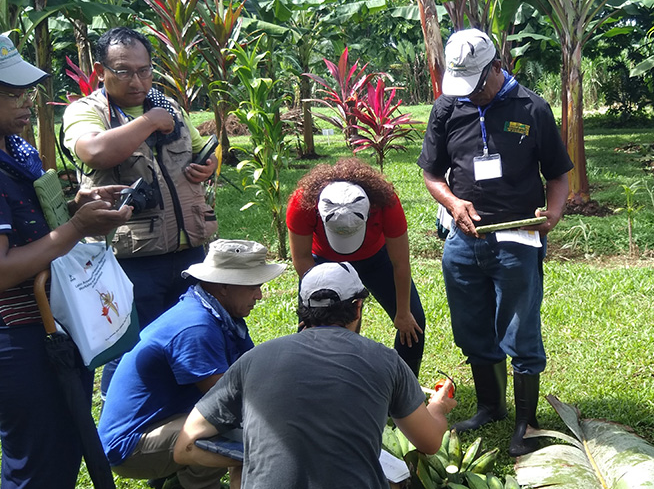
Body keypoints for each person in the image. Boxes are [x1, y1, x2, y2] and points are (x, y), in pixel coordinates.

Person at [417, 28, 573, 457]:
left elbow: (558, 173)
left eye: (477, 84)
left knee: (520, 331)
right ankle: (491, 405)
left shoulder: (532, 108)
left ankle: (527, 420)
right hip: (463, 239)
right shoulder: (448, 107)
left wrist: (553, 213)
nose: (471, 94)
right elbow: (432, 173)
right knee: (470, 326)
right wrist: (452, 202)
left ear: (497, 67)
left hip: (518, 238)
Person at [173, 262, 457, 489]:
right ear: (358, 308)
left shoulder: (254, 359)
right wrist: (439, 407)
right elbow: (430, 443)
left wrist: (254, 461)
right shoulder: (386, 360)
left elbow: (184, 447)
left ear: (302, 309)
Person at [0, 33, 132, 487]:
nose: (24, 103)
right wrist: (75, 229)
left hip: (50, 325)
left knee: (62, 449)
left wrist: (76, 208)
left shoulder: (15, 151)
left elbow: (33, 225)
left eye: (26, 92)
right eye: (11, 93)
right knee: (38, 463)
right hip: (16, 336)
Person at [61, 27, 219, 394]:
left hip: (189, 250)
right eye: (124, 70)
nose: (137, 80)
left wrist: (206, 167)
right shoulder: (86, 111)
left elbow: (201, 149)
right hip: (129, 259)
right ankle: (121, 433)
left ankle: (177, 423)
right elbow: (95, 152)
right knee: (129, 348)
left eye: (145, 70)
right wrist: (148, 122)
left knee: (189, 338)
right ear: (100, 71)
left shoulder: (168, 106)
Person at [98, 239, 284, 489]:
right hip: (129, 446)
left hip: (163, 424)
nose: (259, 295)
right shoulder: (197, 327)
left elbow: (252, 370)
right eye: (253, 286)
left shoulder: (218, 312)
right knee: (234, 437)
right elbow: (228, 400)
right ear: (224, 286)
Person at [286, 157, 427, 376]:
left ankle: (405, 389)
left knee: (413, 322)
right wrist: (321, 307)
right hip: (323, 264)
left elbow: (400, 263)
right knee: (314, 327)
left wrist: (403, 312)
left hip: (376, 260)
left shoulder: (386, 202)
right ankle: (316, 385)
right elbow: (302, 258)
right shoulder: (303, 202)